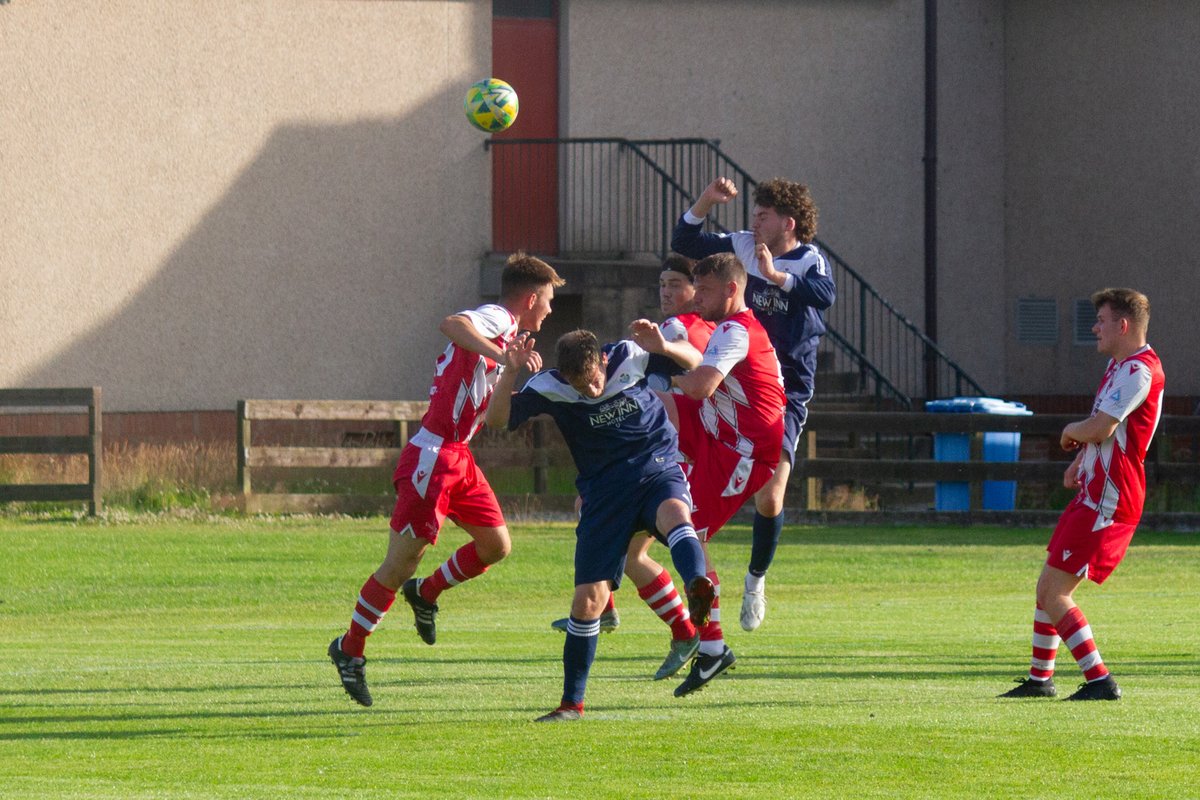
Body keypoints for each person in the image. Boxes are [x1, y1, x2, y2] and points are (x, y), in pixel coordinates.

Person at [327, 252, 564, 707]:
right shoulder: (497, 318)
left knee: (496, 545)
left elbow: (493, 417)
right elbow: (452, 323)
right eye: (550, 300)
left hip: (459, 457)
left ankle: (427, 593)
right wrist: (502, 356)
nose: (551, 309)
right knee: (399, 564)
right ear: (531, 298)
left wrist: (510, 370)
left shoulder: (511, 336)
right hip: (433, 457)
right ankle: (350, 648)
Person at [487, 329, 715, 721]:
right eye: (581, 385)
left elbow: (695, 363)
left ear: (603, 362)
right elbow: (496, 421)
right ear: (565, 376)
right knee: (586, 601)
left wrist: (663, 346)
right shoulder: (550, 387)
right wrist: (509, 372)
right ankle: (571, 706)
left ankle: (697, 585)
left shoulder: (629, 356)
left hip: (654, 467)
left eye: (594, 379)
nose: (591, 391)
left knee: (676, 515)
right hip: (604, 494)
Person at [672, 177, 835, 633]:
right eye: (754, 212)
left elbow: (825, 296)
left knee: (771, 497)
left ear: (789, 221)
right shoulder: (742, 245)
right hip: (737, 382)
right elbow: (685, 241)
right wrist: (706, 200)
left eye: (763, 215)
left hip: (787, 391)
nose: (753, 221)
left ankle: (756, 579)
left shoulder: (809, 259)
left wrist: (776, 275)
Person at [549, 255, 715, 683]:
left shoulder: (676, 331)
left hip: (665, 458)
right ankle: (627, 613)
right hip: (657, 457)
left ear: (696, 290)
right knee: (626, 543)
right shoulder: (683, 328)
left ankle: (689, 632)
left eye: (676, 283)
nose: (665, 291)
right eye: (662, 283)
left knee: (635, 548)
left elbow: (685, 386)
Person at [999, 288, 1164, 701]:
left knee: (1056, 592)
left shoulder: (1139, 371)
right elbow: (1106, 432)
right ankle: (1040, 680)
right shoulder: (1119, 366)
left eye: (1102, 320)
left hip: (1111, 498)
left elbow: (1102, 427)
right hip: (1094, 490)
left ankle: (1100, 681)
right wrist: (1079, 463)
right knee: (1046, 587)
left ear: (1123, 326)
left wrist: (1070, 432)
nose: (1094, 327)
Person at [632, 251, 785, 697]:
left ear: (732, 290)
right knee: (644, 408)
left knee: (688, 538)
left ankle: (713, 648)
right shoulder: (730, 328)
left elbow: (700, 386)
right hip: (719, 431)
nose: (697, 297)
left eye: (706, 289)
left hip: (744, 449)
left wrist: (656, 381)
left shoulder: (736, 330)